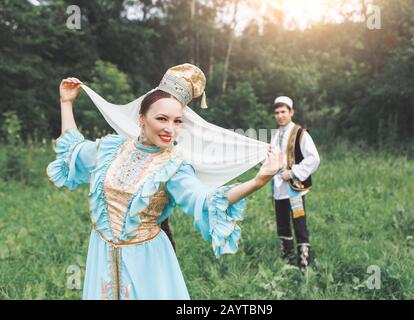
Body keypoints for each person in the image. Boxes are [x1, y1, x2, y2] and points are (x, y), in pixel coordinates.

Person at [46, 64, 283, 300]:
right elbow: (73, 150)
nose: (170, 129)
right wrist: (66, 103)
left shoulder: (174, 168)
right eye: (162, 118)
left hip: (147, 262)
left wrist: (259, 180)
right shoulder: (111, 149)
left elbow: (205, 200)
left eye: (177, 121)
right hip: (102, 255)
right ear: (141, 118)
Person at [270, 96, 320, 268]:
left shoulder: (301, 133)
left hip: (295, 188)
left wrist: (293, 173)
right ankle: (287, 257)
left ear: (291, 112)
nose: (280, 116)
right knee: (282, 221)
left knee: (298, 221)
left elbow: (314, 158)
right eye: (277, 112)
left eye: (283, 112)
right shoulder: (275, 135)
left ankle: (303, 260)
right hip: (278, 187)